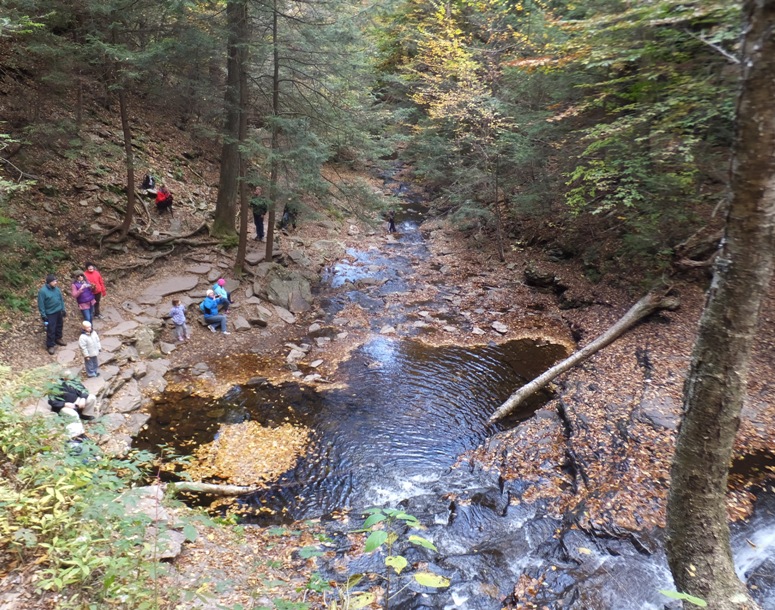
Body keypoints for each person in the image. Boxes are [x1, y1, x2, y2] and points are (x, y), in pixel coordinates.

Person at [48, 371, 99, 439]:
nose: (71, 377)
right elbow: (52, 401)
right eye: (68, 376)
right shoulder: (56, 386)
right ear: (64, 377)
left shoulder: (74, 382)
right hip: (64, 406)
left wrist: (83, 398)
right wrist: (64, 404)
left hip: (78, 401)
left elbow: (84, 390)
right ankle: (78, 434)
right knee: (74, 415)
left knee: (92, 397)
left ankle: (85, 415)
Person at [38, 274, 67, 355]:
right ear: (49, 282)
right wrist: (43, 315)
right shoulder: (42, 291)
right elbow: (41, 304)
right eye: (54, 281)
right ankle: (50, 345)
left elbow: (61, 299)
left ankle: (58, 338)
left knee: (59, 326)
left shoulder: (57, 289)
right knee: (51, 329)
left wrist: (63, 309)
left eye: (56, 281)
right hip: (50, 313)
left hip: (58, 311)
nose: (56, 282)